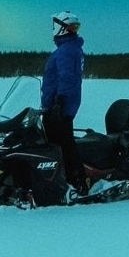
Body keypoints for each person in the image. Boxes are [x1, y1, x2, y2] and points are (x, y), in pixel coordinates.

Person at [41, 10, 86, 192]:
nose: (73, 31)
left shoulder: (67, 50)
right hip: (58, 105)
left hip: (59, 107)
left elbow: (68, 78)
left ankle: (76, 181)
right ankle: (63, 178)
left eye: (75, 27)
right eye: (71, 27)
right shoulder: (69, 48)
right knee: (58, 144)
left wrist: (59, 101)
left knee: (62, 145)